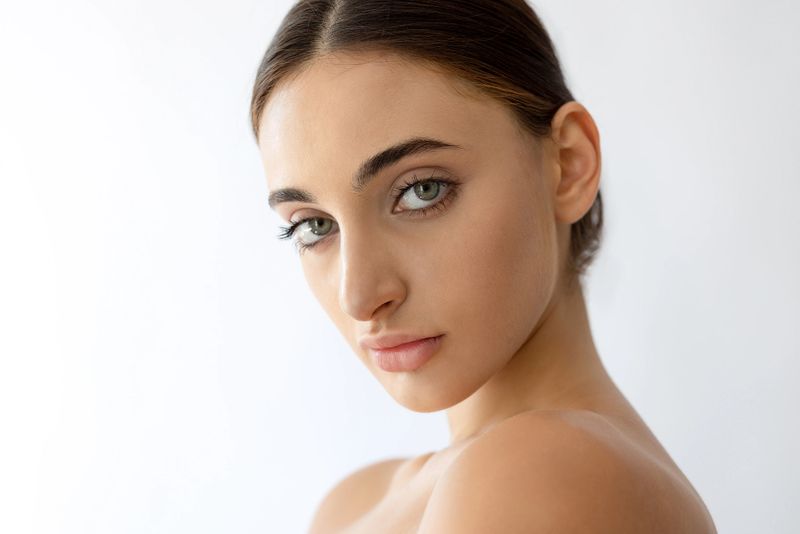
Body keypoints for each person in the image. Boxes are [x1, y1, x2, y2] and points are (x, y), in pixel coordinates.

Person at [250, 0, 717, 532]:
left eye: (423, 191)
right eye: (314, 226)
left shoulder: (544, 472)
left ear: (568, 164)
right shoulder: (352, 505)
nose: (359, 296)